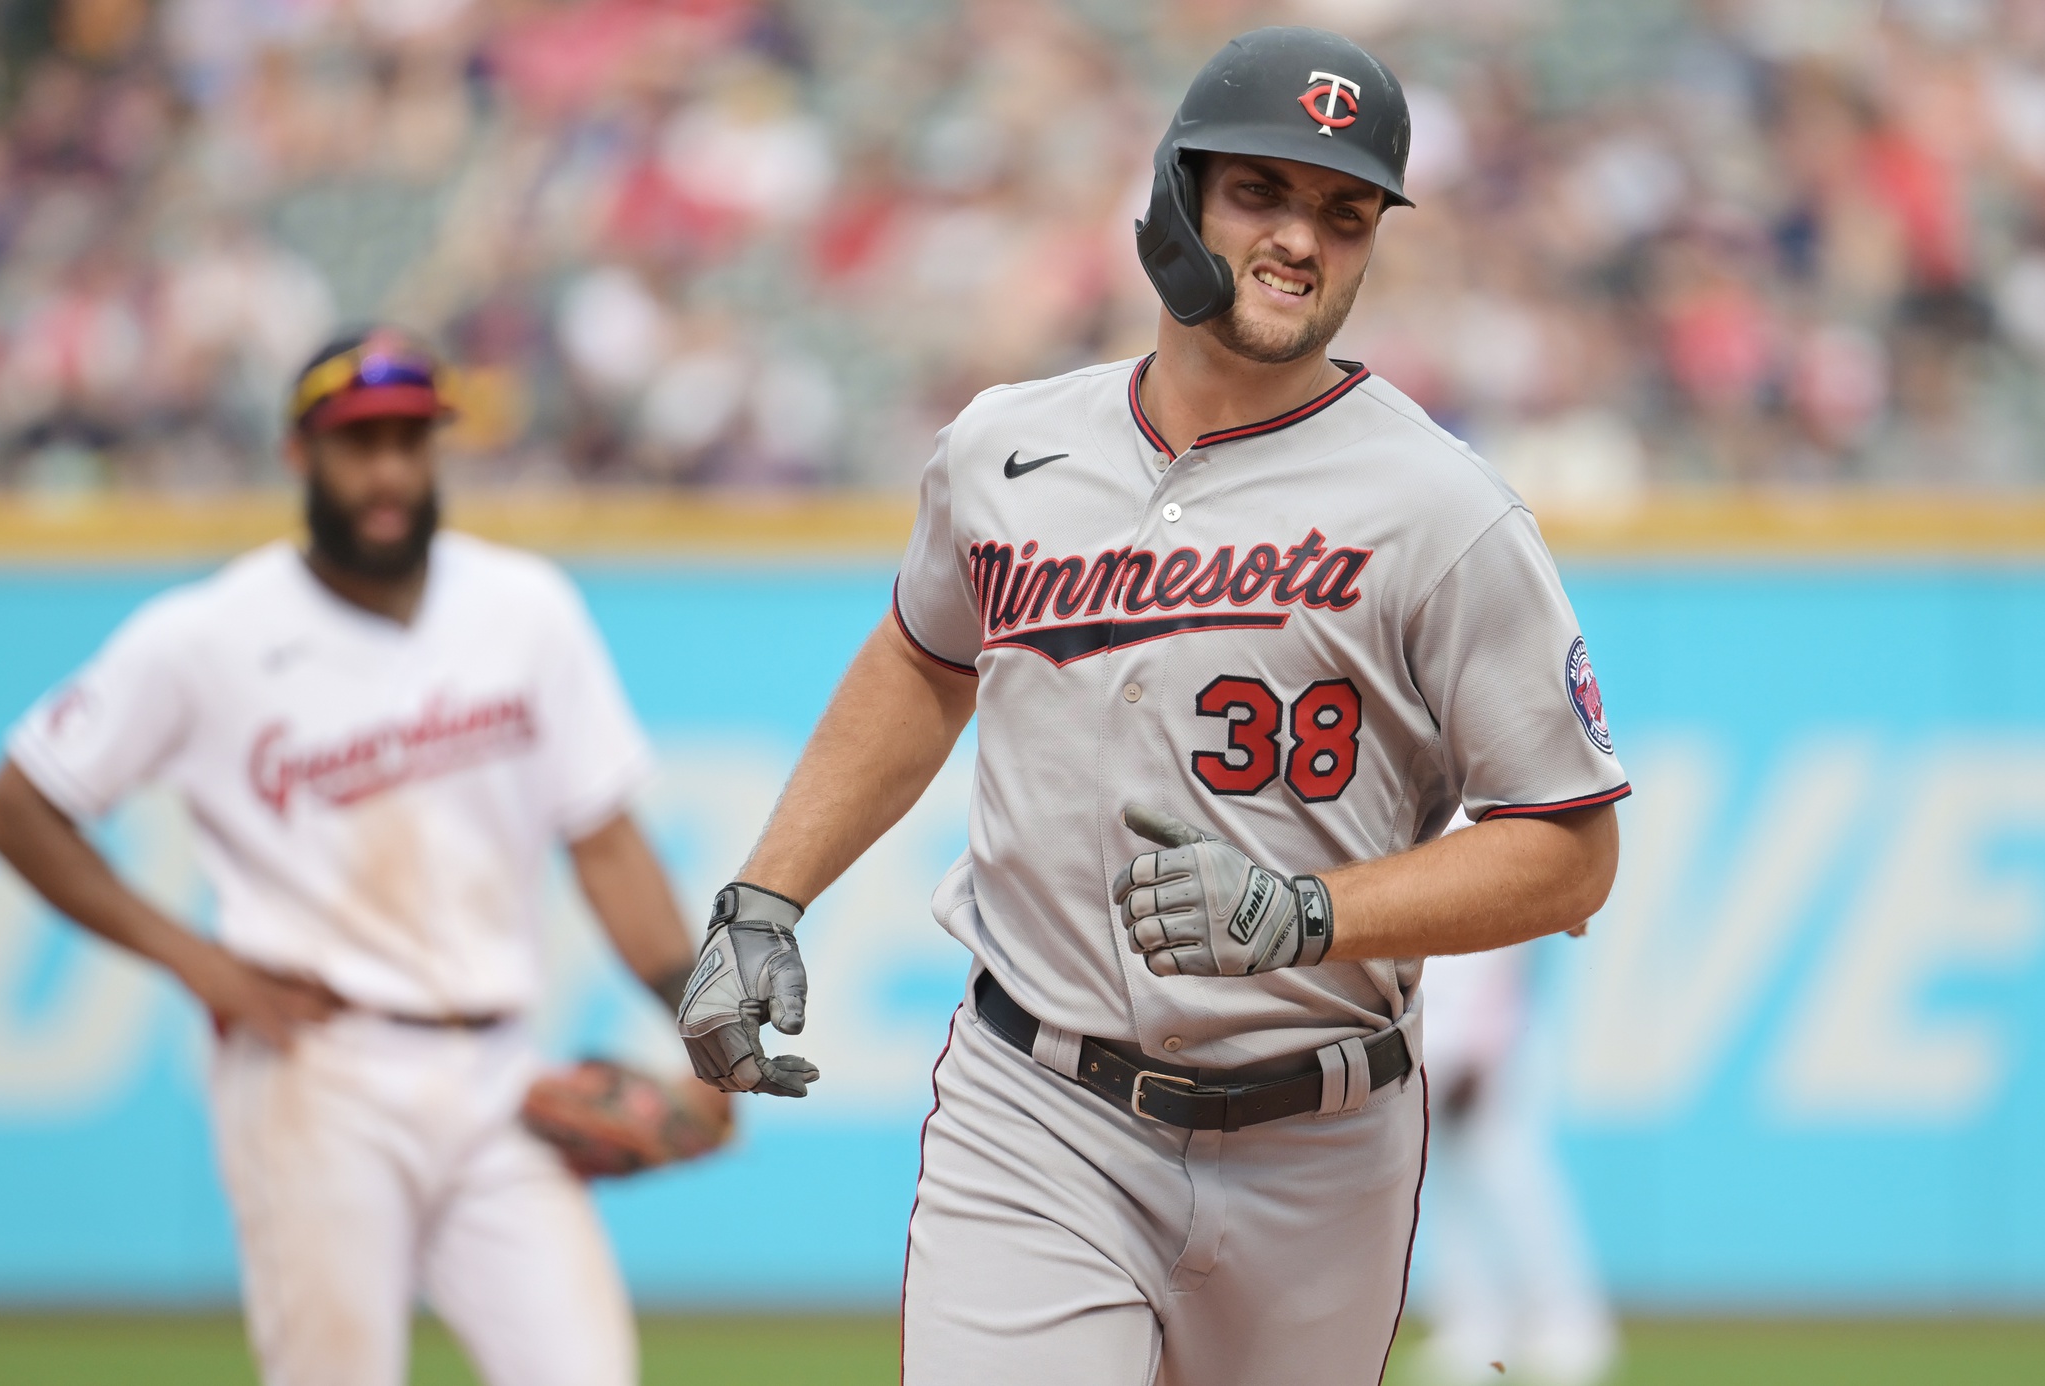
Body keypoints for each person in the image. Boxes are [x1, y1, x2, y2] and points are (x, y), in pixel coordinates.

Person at [675, 26, 1627, 1386]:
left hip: (1320, 1129)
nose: (1301, 240)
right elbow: (921, 658)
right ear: (1175, 196)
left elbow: (1569, 848)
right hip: (1037, 1102)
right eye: (1262, 194)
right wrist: (766, 890)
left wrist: (1313, 914)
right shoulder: (1005, 446)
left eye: (1343, 214)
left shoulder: (1444, 511)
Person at [0, 328, 726, 1386]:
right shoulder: (207, 634)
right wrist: (199, 962)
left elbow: (604, 842)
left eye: (410, 442)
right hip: (316, 1071)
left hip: (503, 1068)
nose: (387, 472)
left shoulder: (526, 610)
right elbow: (20, 806)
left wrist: (699, 1026)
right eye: (358, 443)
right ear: (300, 456)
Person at [1416, 936, 1619, 1386]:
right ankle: (1473, 1325)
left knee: (1513, 1183)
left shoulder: (1486, 876)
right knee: (1445, 1188)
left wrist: (1483, 1054)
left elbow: (1505, 965)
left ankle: (1568, 1322)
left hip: (1490, 1049)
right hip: (1430, 1042)